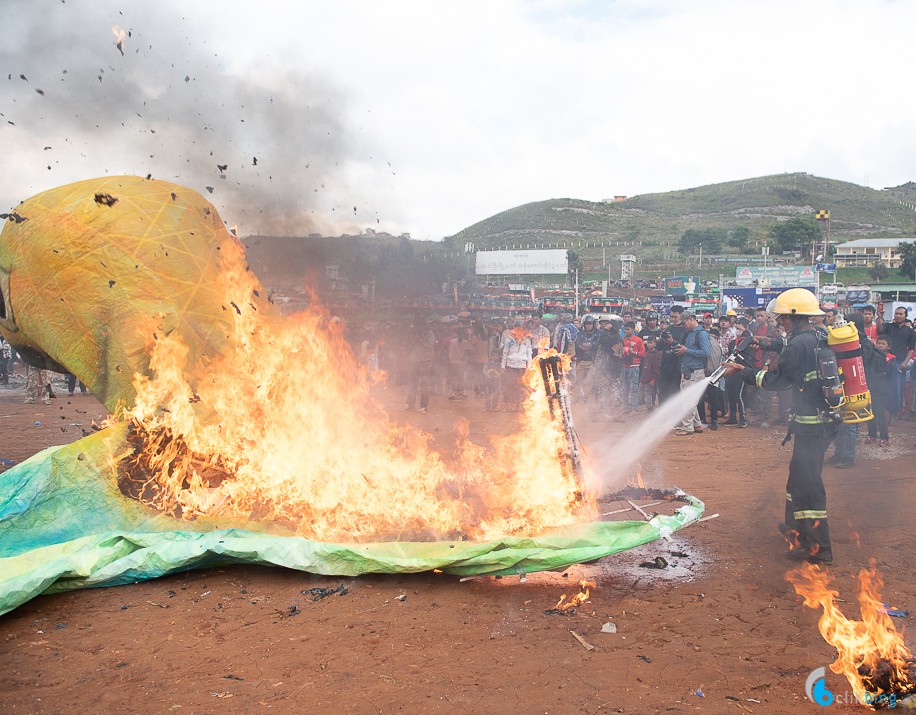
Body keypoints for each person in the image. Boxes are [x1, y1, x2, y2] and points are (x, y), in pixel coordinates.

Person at [724, 288, 836, 564]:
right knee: (797, 480)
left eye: (785, 318)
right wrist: (766, 342)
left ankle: (819, 548)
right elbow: (792, 349)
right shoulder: (816, 336)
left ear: (799, 317)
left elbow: (777, 380)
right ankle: (797, 532)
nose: (780, 322)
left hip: (811, 426)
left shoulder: (800, 344)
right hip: (818, 423)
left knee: (808, 486)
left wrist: (743, 372)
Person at [672, 312, 709, 435]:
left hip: (695, 371)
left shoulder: (702, 334)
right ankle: (697, 425)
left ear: (690, 319)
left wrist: (686, 350)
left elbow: (705, 353)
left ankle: (687, 427)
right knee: (689, 399)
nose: (683, 325)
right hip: (688, 370)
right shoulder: (690, 333)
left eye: (684, 323)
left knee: (689, 400)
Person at [878, 306, 916, 419]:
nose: (898, 316)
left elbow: (911, 349)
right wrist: (880, 317)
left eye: (900, 314)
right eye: (896, 313)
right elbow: (879, 329)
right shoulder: (888, 327)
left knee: (897, 388)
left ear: (905, 316)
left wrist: (905, 362)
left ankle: (896, 414)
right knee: (883, 386)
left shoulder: (910, 332)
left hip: (899, 362)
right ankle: (883, 413)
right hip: (885, 361)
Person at [501, 320, 533, 412]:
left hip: (522, 366)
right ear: (514, 328)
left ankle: (518, 405)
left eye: (520, 327)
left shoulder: (527, 341)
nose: (519, 329)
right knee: (509, 385)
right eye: (517, 327)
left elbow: (529, 354)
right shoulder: (509, 340)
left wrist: (529, 367)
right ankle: (507, 405)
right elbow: (505, 353)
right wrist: (503, 366)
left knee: (520, 387)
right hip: (511, 366)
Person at [617, 321, 645, 413]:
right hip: (624, 366)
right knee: (624, 388)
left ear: (633, 329)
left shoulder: (638, 340)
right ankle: (625, 407)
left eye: (628, 329)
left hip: (634, 366)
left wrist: (635, 353)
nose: (626, 331)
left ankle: (633, 408)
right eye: (625, 329)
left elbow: (643, 354)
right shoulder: (623, 340)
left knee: (634, 388)